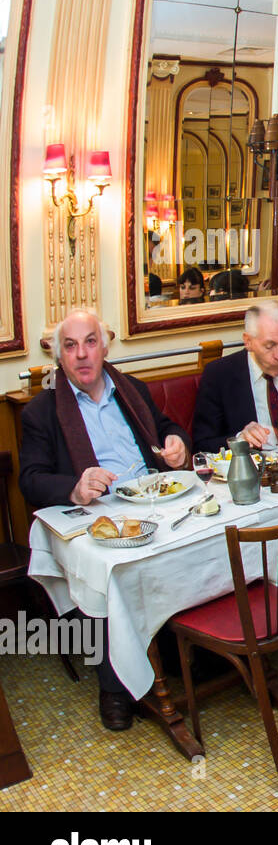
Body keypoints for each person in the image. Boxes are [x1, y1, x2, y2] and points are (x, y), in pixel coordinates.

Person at [19, 308, 191, 730]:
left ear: (105, 346)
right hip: (98, 514)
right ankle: (114, 686)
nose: (82, 355)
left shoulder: (131, 389)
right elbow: (30, 479)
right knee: (105, 576)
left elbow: (168, 428)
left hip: (153, 501)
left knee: (203, 541)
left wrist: (178, 445)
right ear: (59, 355)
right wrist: (75, 487)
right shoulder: (41, 412)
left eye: (90, 342)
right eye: (71, 346)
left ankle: (192, 654)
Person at [190, 301, 278, 454]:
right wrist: (239, 440)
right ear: (248, 341)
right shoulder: (219, 375)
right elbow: (202, 444)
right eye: (269, 346)